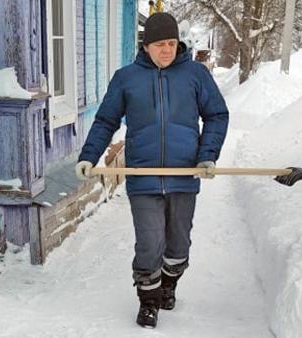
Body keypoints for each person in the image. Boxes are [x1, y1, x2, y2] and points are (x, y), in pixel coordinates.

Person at [75, 12, 229, 328]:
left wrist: (207, 156)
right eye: (160, 44)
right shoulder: (126, 78)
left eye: (172, 43)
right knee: (149, 243)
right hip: (142, 177)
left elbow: (216, 115)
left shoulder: (196, 75)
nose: (167, 50)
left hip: (184, 176)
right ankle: (149, 300)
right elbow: (106, 120)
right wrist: (89, 156)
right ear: (146, 47)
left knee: (178, 245)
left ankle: (168, 285)